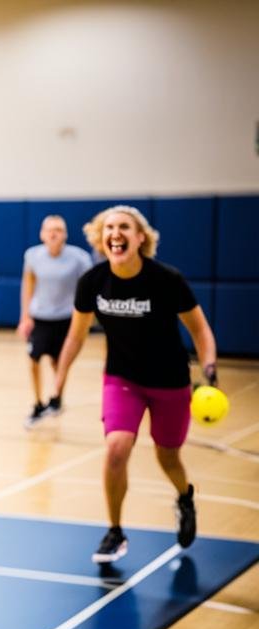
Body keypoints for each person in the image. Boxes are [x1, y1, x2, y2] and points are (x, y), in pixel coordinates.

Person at [52, 205, 217, 564]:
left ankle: (184, 498)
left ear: (140, 238)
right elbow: (76, 336)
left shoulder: (167, 280)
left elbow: (199, 328)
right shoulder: (93, 283)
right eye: (109, 227)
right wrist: (59, 379)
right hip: (122, 378)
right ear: (101, 238)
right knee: (116, 448)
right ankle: (115, 532)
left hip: (171, 382)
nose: (116, 233)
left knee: (167, 454)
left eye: (125, 227)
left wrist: (209, 367)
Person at [17, 215, 94, 428]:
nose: (53, 233)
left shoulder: (79, 259)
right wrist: (25, 316)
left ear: (65, 235)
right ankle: (37, 403)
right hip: (40, 317)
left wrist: (86, 319)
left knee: (58, 363)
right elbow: (28, 285)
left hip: (66, 319)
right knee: (33, 359)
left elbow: (88, 289)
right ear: (42, 234)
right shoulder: (32, 256)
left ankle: (57, 398)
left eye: (58, 230)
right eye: (49, 229)